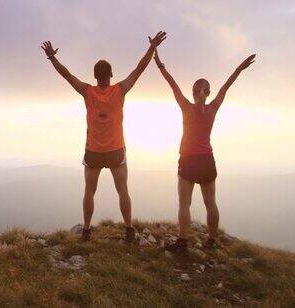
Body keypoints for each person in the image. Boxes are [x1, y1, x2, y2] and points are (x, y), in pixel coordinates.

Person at [41, 31, 167, 242]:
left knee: (89, 192)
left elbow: (67, 75)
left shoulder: (87, 91)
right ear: (111, 74)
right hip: (116, 151)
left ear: (95, 76)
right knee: (123, 191)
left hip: (93, 152)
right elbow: (139, 69)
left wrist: (52, 57)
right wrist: (152, 47)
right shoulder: (120, 90)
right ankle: (128, 230)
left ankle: (87, 230)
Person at [153, 49, 256, 252]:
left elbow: (171, 83)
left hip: (188, 160)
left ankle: (182, 242)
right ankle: (211, 241)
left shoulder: (186, 107)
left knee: (184, 203)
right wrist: (240, 68)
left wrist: (159, 63)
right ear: (208, 93)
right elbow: (227, 84)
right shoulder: (213, 107)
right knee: (211, 203)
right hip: (207, 160)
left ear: (193, 92)